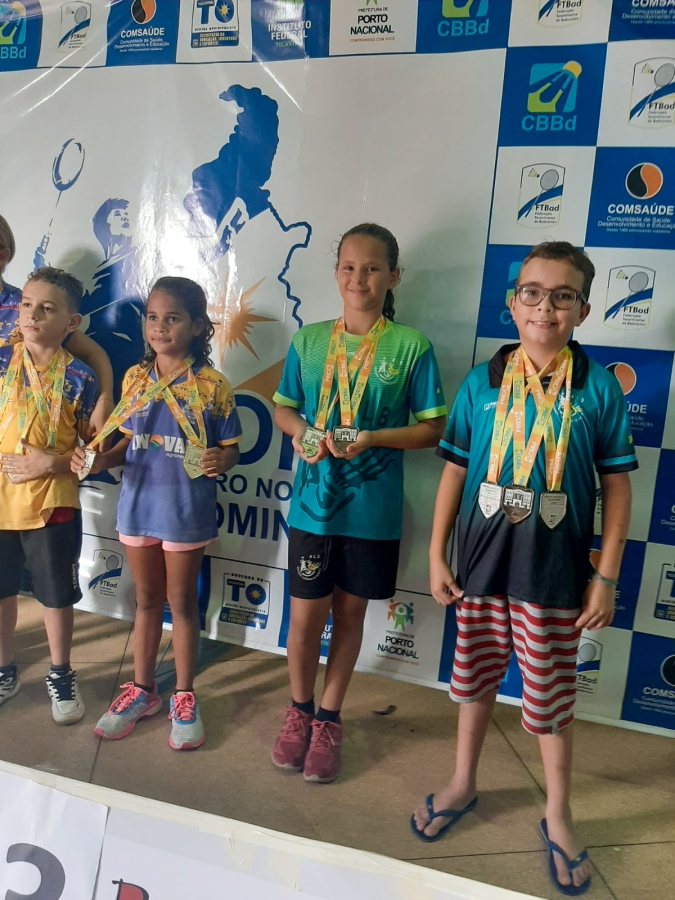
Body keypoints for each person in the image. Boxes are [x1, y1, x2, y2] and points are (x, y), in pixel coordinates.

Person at [412, 242, 636, 897]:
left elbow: (617, 486)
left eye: (562, 296)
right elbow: (454, 471)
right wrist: (435, 552)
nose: (545, 307)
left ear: (582, 310)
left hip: (554, 576)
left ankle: (558, 813)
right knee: (475, 680)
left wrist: (605, 576)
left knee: (549, 699)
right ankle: (463, 781)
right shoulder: (480, 383)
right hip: (480, 567)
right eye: (532, 293)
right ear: (512, 304)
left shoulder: (597, 387)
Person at [271, 223, 447, 784]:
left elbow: (432, 430)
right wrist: (301, 432)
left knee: (350, 616)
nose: (359, 278)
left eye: (372, 268)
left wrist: (373, 439)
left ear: (393, 277)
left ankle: (329, 718)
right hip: (312, 506)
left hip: (371, 512)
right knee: (304, 619)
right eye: (348, 267)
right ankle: (299, 710)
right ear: (336, 273)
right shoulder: (309, 341)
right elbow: (283, 408)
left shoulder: (411, 346)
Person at [72, 276, 241, 750]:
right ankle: (142, 690)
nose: (160, 327)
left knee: (180, 602)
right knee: (145, 600)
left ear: (197, 327)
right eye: (152, 317)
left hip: (185, 509)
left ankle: (184, 695)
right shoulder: (135, 378)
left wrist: (220, 459)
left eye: (172, 318)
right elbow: (126, 444)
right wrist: (97, 461)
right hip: (138, 505)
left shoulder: (212, 385)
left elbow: (231, 450)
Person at [0, 267, 99, 723]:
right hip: (1, 498)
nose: (32, 315)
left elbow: (91, 452)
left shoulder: (80, 378)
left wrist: (54, 464)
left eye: (46, 309)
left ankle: (60, 673)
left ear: (71, 323)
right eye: (26, 305)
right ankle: (4, 670)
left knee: (55, 596)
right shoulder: (2, 358)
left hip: (52, 502)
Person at [0, 214, 115, 433]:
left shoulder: (21, 306)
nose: (33, 312)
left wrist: (105, 400)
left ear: (2, 256)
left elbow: (93, 354)